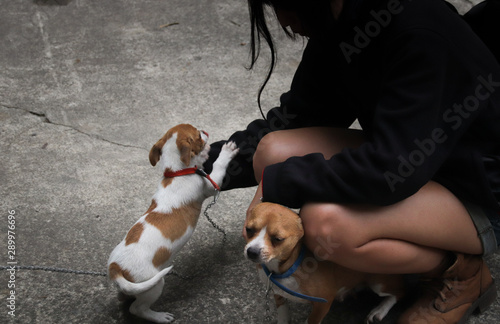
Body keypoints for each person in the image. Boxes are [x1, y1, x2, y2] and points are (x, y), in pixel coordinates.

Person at [204, 0, 500, 322]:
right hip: (410, 159)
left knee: (325, 226)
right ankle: (384, 250)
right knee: (272, 151)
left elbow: (389, 170)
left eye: (287, 3)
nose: (285, 21)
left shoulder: (421, 32)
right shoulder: (341, 20)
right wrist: (203, 167)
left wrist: (284, 180)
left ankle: (462, 272)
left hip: (477, 189)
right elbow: (300, 115)